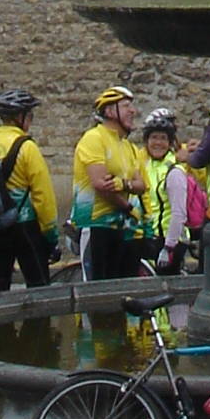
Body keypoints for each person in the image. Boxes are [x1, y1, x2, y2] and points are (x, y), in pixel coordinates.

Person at [0, 89, 58, 292]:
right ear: (20, 117)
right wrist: (50, 233)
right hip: (25, 227)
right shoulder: (27, 147)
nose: (31, 120)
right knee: (39, 288)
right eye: (30, 115)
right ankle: (38, 323)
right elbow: (43, 196)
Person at [71, 87, 147, 282]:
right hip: (96, 224)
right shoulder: (94, 138)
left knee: (123, 293)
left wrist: (122, 183)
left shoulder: (128, 146)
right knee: (98, 292)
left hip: (123, 229)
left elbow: (141, 185)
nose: (133, 111)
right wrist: (128, 206)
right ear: (110, 112)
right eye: (126, 106)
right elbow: (101, 185)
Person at [137, 108, 197, 274]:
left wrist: (168, 247)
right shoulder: (146, 166)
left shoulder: (174, 170)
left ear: (170, 143)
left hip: (169, 241)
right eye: (153, 137)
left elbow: (178, 213)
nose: (158, 143)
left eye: (163, 138)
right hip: (151, 237)